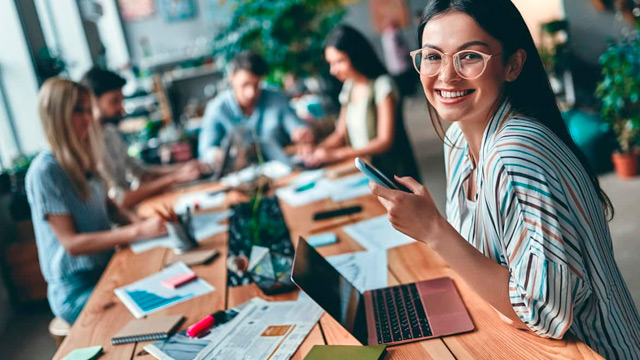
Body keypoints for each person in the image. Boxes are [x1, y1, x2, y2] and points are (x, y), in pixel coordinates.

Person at [370, 1, 640, 358]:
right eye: (433, 56)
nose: (446, 76)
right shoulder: (457, 139)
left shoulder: (515, 151)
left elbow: (543, 314)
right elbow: (489, 272)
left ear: (512, 64)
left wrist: (434, 230)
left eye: (469, 56)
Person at [26, 78, 167, 324]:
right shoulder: (44, 171)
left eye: (87, 109)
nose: (88, 118)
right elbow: (72, 244)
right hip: (77, 289)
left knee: (164, 284)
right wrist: (138, 231)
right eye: (78, 110)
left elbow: (110, 207)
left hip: (106, 270)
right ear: (58, 115)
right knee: (152, 310)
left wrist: (140, 222)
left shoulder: (84, 156)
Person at [302, 25, 420, 181]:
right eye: (331, 63)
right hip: (365, 171)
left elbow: (385, 141)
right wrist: (317, 150)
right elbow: (340, 133)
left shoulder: (383, 85)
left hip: (392, 173)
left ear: (356, 56)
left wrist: (336, 154)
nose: (333, 70)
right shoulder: (349, 87)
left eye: (339, 61)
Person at [81, 68, 201, 209]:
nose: (122, 109)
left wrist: (183, 168)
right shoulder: (88, 145)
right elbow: (119, 200)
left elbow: (139, 171)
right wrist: (173, 178)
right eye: (114, 101)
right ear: (92, 101)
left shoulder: (111, 132)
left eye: (121, 100)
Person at [198, 51, 314, 164]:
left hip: (281, 169)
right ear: (231, 77)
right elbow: (205, 151)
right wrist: (220, 156)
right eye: (245, 85)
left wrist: (301, 133)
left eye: (256, 85)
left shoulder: (275, 98)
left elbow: (295, 126)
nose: (251, 93)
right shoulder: (216, 108)